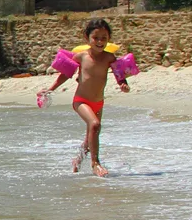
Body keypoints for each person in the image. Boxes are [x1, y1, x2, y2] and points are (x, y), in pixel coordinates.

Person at [39, 18, 130, 178]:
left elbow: (119, 75)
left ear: (109, 39)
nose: (100, 42)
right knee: (94, 125)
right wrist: (50, 89)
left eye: (104, 38)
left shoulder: (110, 58)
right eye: (96, 38)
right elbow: (66, 74)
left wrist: (123, 84)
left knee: (91, 136)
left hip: (99, 103)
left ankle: (78, 160)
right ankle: (95, 164)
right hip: (81, 101)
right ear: (87, 38)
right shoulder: (81, 57)